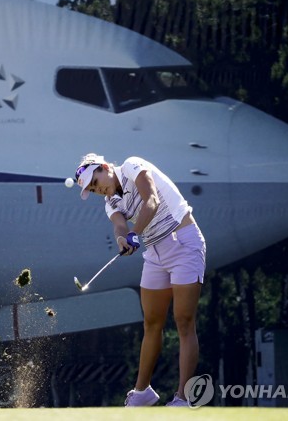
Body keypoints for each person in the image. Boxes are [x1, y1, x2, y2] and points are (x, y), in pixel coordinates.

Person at [74, 153, 206, 407]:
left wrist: (135, 233)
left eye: (95, 180)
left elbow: (152, 201)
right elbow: (119, 226)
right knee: (152, 323)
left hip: (184, 242)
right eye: (92, 188)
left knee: (184, 321)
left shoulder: (132, 166)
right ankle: (142, 391)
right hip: (156, 253)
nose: (97, 188)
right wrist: (124, 239)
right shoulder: (111, 202)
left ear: (104, 167)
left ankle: (183, 398)